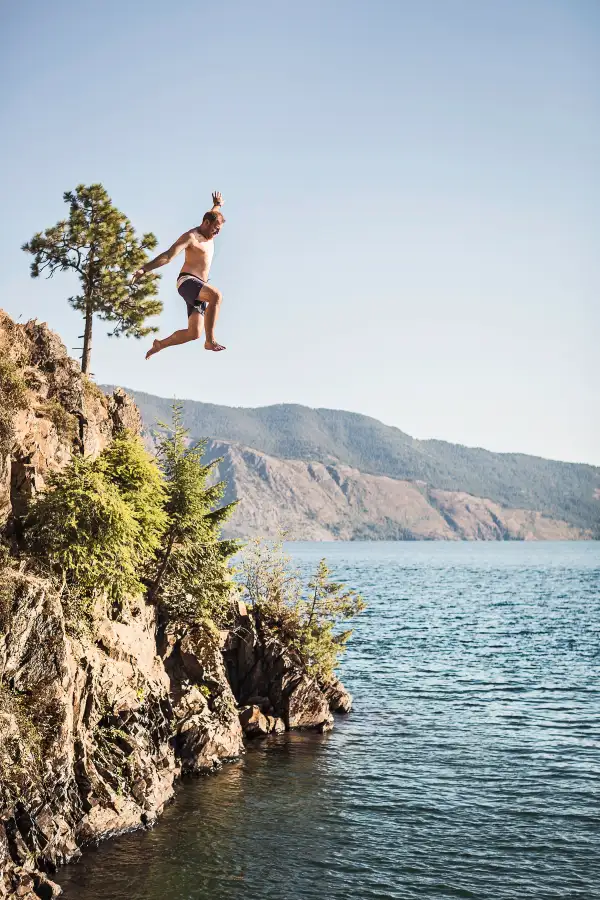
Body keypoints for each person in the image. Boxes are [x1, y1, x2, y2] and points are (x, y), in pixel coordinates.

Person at [132, 192, 227, 358]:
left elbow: (213, 215)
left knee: (194, 333)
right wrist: (144, 269)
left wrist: (217, 204)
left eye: (219, 230)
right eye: (215, 229)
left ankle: (160, 344)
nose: (216, 233)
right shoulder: (191, 237)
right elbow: (168, 256)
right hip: (187, 282)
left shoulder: (210, 225)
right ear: (205, 223)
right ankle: (210, 340)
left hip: (199, 287)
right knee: (216, 296)